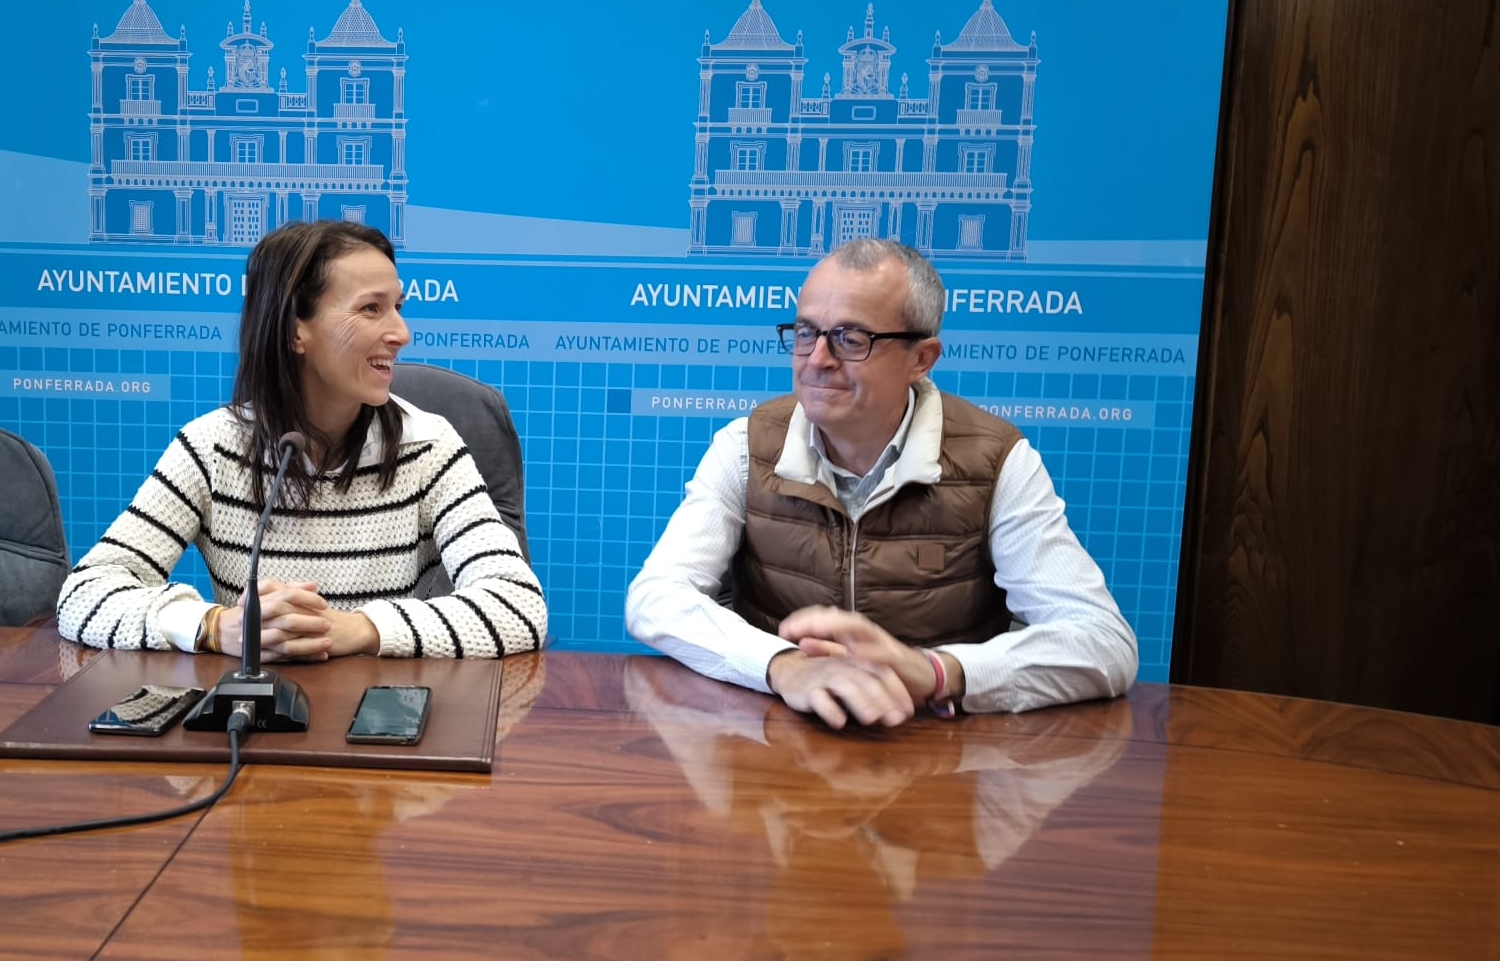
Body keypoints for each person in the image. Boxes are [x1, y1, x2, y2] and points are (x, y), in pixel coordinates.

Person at [626, 238, 1135, 728]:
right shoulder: (746, 445)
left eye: (851, 339)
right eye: (806, 333)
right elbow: (657, 597)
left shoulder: (997, 460)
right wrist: (783, 665)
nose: (818, 360)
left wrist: (937, 673)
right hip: (778, 748)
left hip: (938, 758)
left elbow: (1102, 641)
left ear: (922, 358)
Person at [57, 220, 544, 659]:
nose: (401, 332)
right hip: (253, 722)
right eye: (372, 309)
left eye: (397, 307)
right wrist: (212, 626)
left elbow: (519, 607)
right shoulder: (210, 448)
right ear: (295, 331)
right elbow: (84, 594)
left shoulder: (427, 445)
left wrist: (361, 629)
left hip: (382, 723)